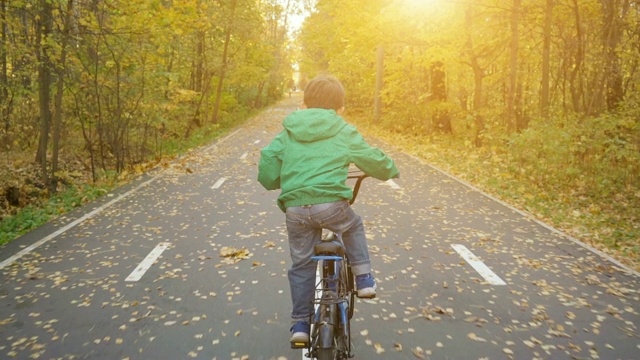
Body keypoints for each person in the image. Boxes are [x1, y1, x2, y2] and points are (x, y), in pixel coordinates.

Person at [257, 74, 399, 345]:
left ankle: (300, 324)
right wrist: (389, 168)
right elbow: (369, 158)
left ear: (304, 103)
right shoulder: (342, 128)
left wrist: (278, 180)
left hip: (296, 209)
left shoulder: (288, 130)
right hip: (331, 206)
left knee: (301, 264)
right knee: (352, 225)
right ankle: (364, 279)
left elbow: (268, 163)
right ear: (340, 108)